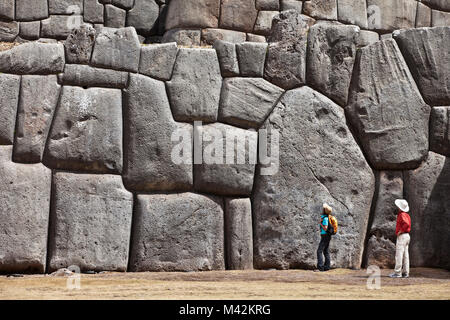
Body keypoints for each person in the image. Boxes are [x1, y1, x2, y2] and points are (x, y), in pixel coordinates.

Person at [389, 199, 412, 278]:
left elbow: (406, 224)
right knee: (406, 255)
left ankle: (397, 273)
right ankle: (406, 272)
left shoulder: (401, 215)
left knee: (399, 254)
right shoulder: (407, 215)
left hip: (402, 236)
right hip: (407, 236)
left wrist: (400, 231)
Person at [315, 203, 333, 272]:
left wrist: (321, 224)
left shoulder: (325, 218)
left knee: (319, 251)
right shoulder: (326, 217)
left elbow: (325, 228)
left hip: (325, 236)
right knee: (326, 251)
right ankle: (327, 267)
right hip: (327, 236)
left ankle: (320, 267)